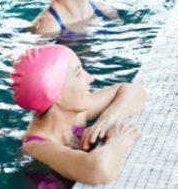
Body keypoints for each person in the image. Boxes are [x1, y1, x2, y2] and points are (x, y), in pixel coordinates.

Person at [11, 44, 145, 185]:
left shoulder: (73, 116)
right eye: (78, 73)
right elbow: (99, 170)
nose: (90, 78)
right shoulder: (36, 147)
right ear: (54, 94)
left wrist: (106, 120)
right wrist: (118, 141)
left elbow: (134, 91)